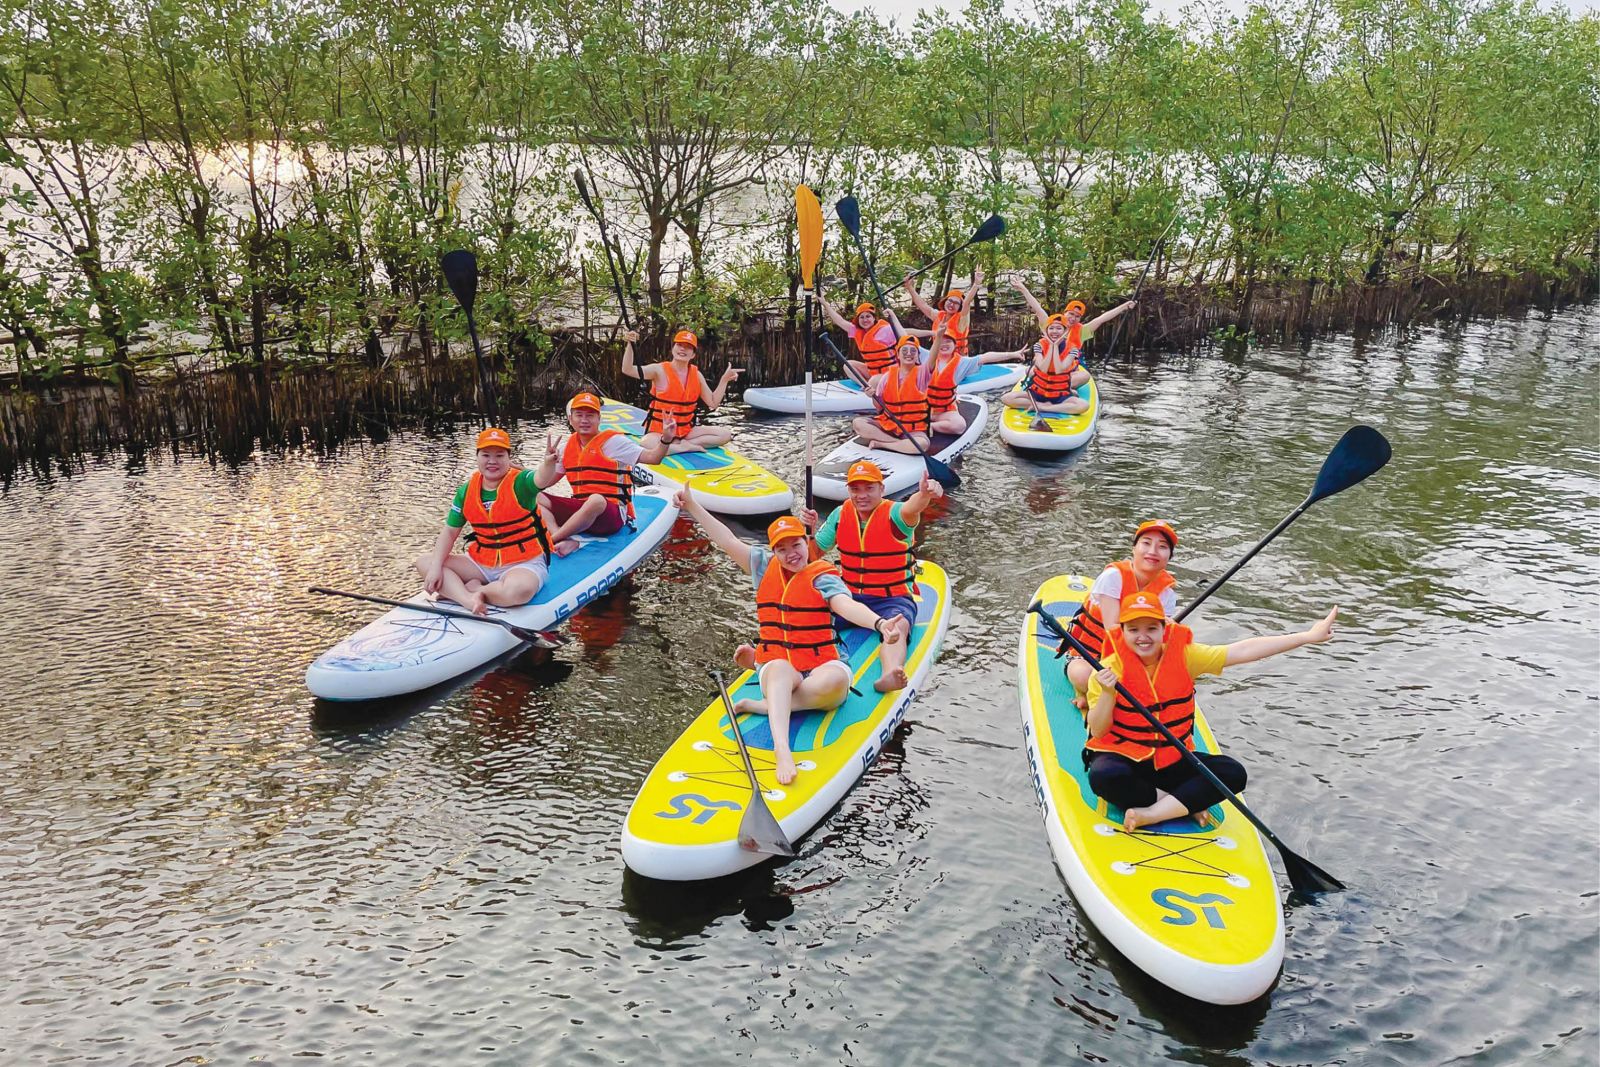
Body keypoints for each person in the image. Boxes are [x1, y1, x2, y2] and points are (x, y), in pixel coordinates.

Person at [675, 493, 903, 785]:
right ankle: (782, 749)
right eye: (781, 549)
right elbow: (727, 540)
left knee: (835, 684)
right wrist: (692, 504)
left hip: (821, 662)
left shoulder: (823, 576)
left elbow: (846, 606)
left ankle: (762, 704)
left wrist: (879, 623)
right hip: (779, 661)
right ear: (774, 552)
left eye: (796, 544)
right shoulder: (762, 566)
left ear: (806, 543)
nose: (791, 553)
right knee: (781, 668)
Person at [1084, 587, 1339, 832]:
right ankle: (1184, 803)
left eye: (1151, 628)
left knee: (1233, 773)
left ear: (1164, 629)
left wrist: (1307, 637)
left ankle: (1152, 813)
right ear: (1123, 632)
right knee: (1103, 776)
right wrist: (1108, 693)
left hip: (1172, 761)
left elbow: (1242, 651)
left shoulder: (1185, 656)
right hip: (1128, 761)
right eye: (1134, 629)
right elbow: (1098, 728)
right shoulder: (1106, 669)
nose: (1143, 636)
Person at [797, 460, 939, 693]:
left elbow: (913, 507)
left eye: (869, 488)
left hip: (891, 598)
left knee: (897, 627)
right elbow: (813, 556)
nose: (861, 495)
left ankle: (891, 673)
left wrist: (924, 495)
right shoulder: (840, 514)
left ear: (881, 489)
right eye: (855, 489)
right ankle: (791, 663)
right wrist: (810, 532)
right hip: (848, 597)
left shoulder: (896, 514)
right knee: (811, 616)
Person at [416, 427, 555, 615]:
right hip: (482, 562)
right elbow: (450, 532)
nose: (492, 461)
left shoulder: (520, 483)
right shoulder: (466, 491)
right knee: (425, 563)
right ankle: (467, 600)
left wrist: (548, 464)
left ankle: (476, 590)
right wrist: (435, 569)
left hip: (524, 562)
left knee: (518, 591)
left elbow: (541, 478)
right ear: (477, 457)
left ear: (508, 458)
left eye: (499, 455)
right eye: (486, 455)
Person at [533, 392, 672, 555]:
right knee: (535, 496)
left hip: (612, 515)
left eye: (590, 415)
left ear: (599, 419)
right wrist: (546, 464)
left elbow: (653, 457)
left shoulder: (614, 442)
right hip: (582, 512)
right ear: (571, 419)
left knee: (596, 500)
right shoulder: (565, 448)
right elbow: (542, 482)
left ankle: (553, 539)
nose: (584, 420)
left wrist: (666, 439)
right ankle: (564, 538)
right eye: (579, 415)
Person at [1065, 520, 1182, 709]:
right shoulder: (1113, 577)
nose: (1153, 551)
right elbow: (1113, 630)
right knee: (1083, 677)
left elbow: (1158, 640)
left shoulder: (1167, 594)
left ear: (1169, 556)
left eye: (1162, 547)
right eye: (1146, 543)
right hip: (1090, 655)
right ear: (1134, 549)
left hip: (1134, 657)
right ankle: (1085, 692)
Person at [1001, 279, 1137, 415]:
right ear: (1064, 313)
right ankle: (1051, 394)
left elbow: (1102, 318)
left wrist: (1124, 307)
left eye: (1077, 316)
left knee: (1084, 376)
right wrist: (1023, 288)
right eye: (1071, 314)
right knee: (1028, 372)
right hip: (1044, 373)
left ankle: (1057, 396)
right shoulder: (1051, 325)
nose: (1073, 318)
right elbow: (1038, 309)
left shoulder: (1081, 332)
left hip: (1065, 374)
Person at [621, 327, 739, 453]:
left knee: (724, 435)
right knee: (646, 443)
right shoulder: (658, 370)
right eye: (679, 345)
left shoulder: (696, 375)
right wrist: (630, 344)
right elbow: (627, 369)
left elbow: (713, 402)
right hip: (660, 432)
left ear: (693, 354)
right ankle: (682, 448)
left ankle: (678, 446)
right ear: (673, 349)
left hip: (685, 432)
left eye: (688, 347)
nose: (682, 349)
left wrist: (724, 380)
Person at [921, 318, 1024, 435]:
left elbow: (986, 357)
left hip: (944, 411)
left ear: (955, 345)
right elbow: (902, 336)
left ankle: (929, 426)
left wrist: (1012, 354)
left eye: (948, 342)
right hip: (922, 408)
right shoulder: (925, 356)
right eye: (941, 341)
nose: (944, 345)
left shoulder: (962, 363)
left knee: (959, 426)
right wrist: (894, 317)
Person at [849, 334, 933, 455]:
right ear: (898, 355)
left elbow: (932, 360)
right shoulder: (887, 377)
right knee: (858, 423)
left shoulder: (922, 374)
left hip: (912, 428)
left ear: (917, 356)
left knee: (922, 445)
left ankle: (882, 444)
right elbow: (879, 408)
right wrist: (871, 395)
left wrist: (939, 336)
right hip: (889, 425)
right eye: (904, 350)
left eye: (913, 351)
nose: (908, 353)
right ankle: (898, 443)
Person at [819, 296, 927, 381]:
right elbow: (840, 321)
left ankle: (873, 386)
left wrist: (931, 333)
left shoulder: (884, 330)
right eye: (862, 317)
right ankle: (866, 387)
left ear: (874, 318)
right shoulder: (857, 331)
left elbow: (906, 333)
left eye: (868, 316)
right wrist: (825, 304)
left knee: (875, 379)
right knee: (848, 365)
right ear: (858, 320)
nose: (865, 320)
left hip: (892, 373)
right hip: (874, 373)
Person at [902, 267, 984, 357]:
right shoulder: (939, 315)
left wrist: (976, 284)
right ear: (945, 301)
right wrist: (910, 288)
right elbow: (923, 305)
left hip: (958, 359)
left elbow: (966, 303)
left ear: (959, 307)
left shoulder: (962, 319)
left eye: (956, 303)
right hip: (938, 357)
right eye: (950, 301)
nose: (952, 305)